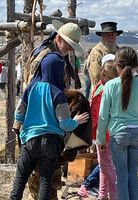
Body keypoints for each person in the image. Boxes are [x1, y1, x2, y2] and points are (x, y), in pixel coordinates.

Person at [10, 22, 89, 200]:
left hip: (30, 139)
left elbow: (19, 112)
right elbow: (64, 123)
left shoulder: (31, 87)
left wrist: (25, 127)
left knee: (20, 179)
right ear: (59, 38)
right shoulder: (57, 92)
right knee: (45, 181)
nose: (69, 49)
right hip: (51, 141)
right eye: (68, 45)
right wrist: (76, 121)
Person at [97, 47, 138, 200]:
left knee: (122, 176)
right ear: (134, 65)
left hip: (118, 135)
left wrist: (100, 139)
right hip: (136, 132)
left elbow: (103, 116)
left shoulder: (110, 86)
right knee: (133, 174)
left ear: (117, 65)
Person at [78, 54, 118, 200]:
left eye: (105, 74)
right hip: (103, 133)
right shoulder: (105, 89)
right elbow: (97, 113)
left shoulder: (100, 87)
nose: (102, 75)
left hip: (102, 132)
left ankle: (102, 193)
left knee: (104, 165)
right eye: (102, 72)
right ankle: (113, 193)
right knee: (106, 166)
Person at [88, 21, 123, 88]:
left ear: (116, 36)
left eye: (112, 35)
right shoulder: (97, 52)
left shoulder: (118, 51)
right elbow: (96, 76)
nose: (110, 37)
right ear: (102, 36)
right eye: (107, 35)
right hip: (101, 91)